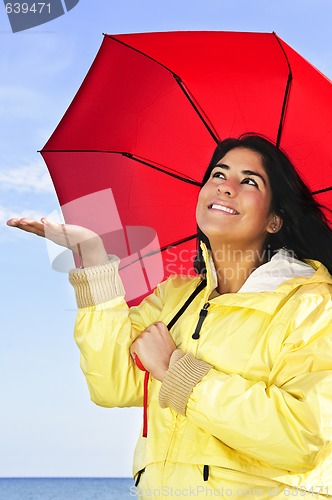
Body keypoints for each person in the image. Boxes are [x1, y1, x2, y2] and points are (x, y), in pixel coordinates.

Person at [7, 135, 332, 499]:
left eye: (249, 181)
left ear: (275, 220)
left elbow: (303, 436)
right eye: (217, 175)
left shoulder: (312, 304)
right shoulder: (174, 296)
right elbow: (112, 384)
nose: (225, 187)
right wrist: (94, 258)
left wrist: (174, 368)